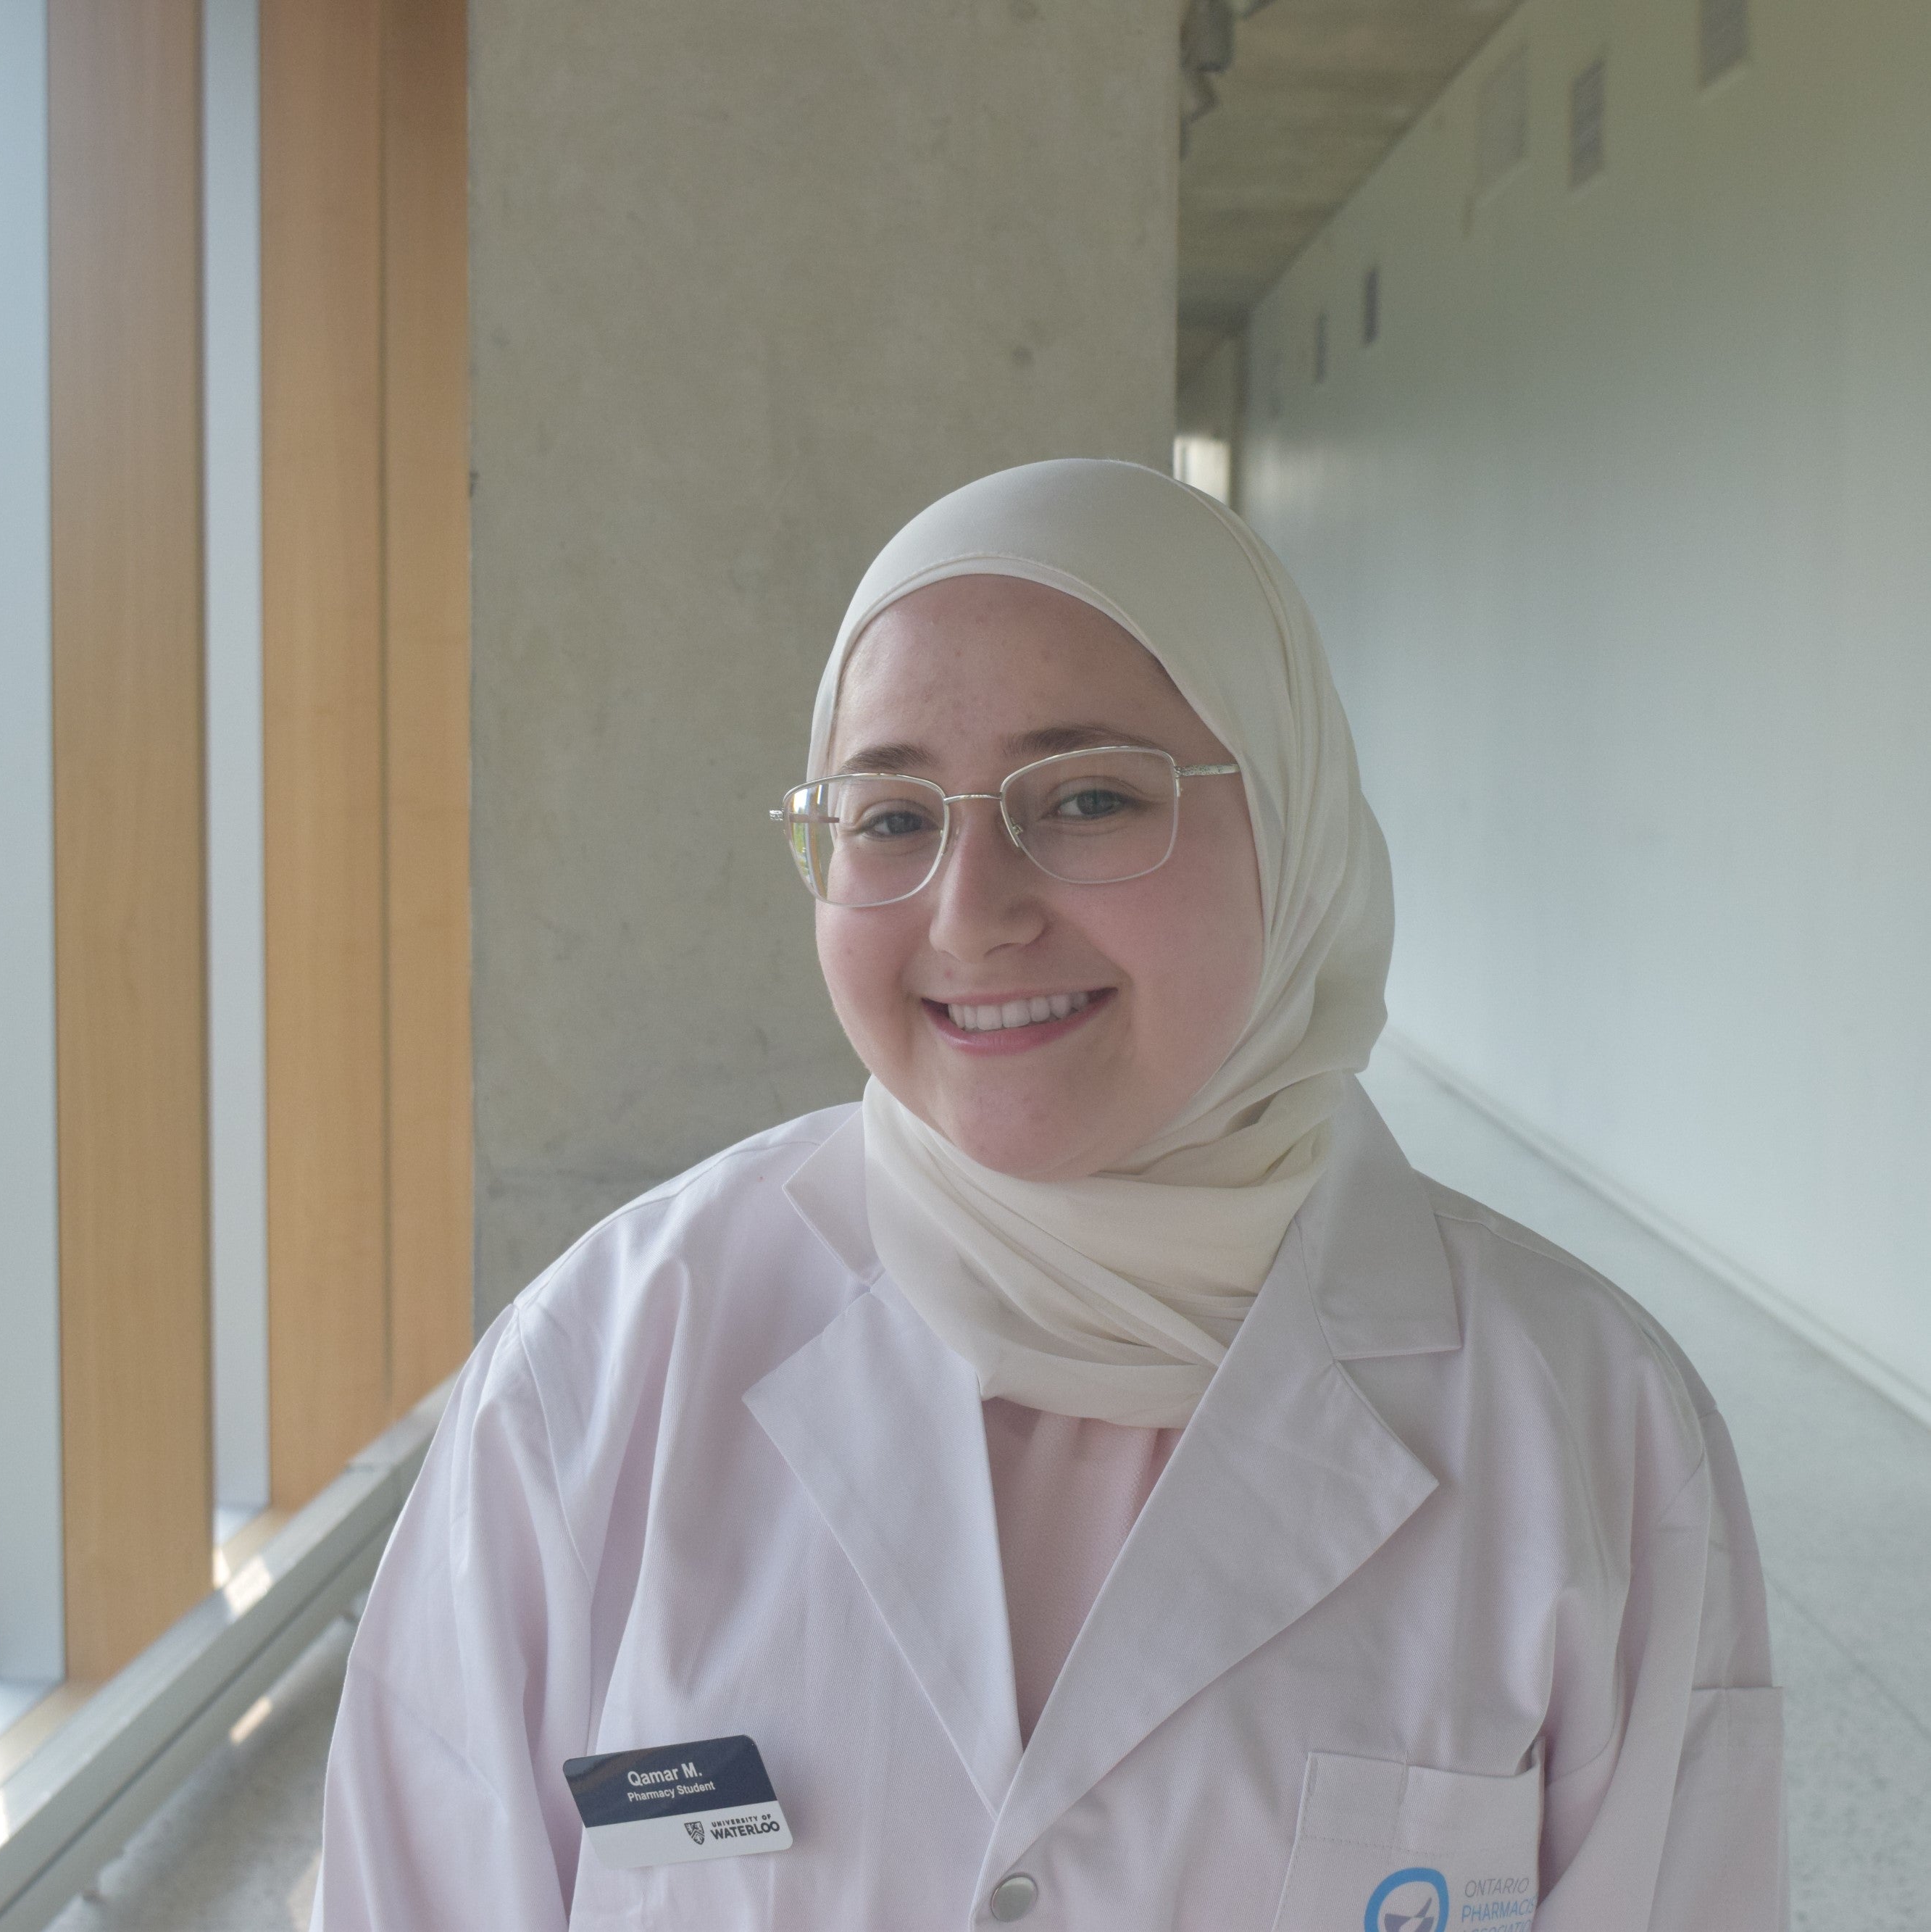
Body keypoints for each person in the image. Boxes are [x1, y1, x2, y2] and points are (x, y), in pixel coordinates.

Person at [312, 459, 1786, 1931]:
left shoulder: (1587, 1419)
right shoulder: (599, 1367)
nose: (972, 912)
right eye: (889, 817)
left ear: (1293, 825)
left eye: (1085, 798)